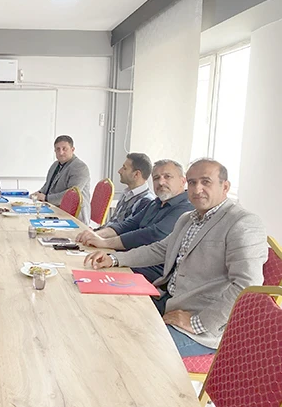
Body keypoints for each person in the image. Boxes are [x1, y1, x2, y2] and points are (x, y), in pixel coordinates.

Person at [83, 159, 267, 358]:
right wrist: (115, 259)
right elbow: (160, 250)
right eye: (193, 182)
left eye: (206, 182)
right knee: (105, 318)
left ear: (225, 186)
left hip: (203, 326)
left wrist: (197, 323)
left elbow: (247, 284)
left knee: (129, 351)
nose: (197, 189)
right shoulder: (188, 218)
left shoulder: (243, 223)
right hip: (169, 301)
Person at [76, 159, 193, 282]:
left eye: (167, 176)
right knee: (84, 265)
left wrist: (105, 243)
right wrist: (96, 235)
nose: (161, 182)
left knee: (91, 274)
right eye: (156, 178)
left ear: (183, 181)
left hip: (152, 269)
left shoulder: (187, 208)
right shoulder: (155, 203)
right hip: (131, 258)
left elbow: (152, 235)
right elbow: (128, 225)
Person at [31, 135, 91, 224]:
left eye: (64, 149)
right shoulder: (55, 165)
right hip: (54, 210)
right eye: (58, 149)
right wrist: (37, 194)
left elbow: (72, 196)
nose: (61, 152)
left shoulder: (80, 167)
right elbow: (47, 186)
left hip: (73, 217)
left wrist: (46, 198)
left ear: (72, 149)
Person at [104, 153, 155, 226]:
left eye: (124, 168)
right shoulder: (126, 193)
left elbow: (128, 230)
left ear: (136, 174)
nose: (119, 171)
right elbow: (113, 222)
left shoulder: (146, 201)